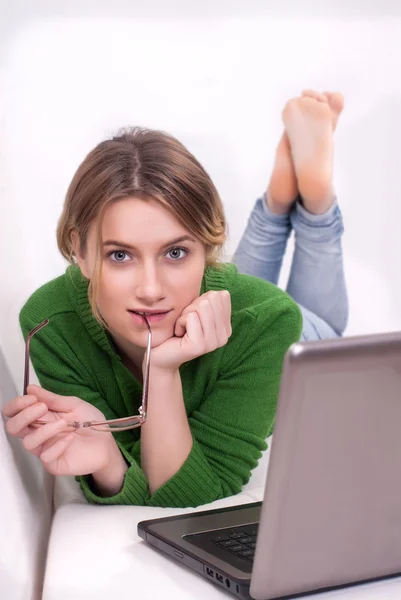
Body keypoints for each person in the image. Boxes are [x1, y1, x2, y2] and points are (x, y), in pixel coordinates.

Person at [3, 89, 348, 508]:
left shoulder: (269, 321)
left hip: (270, 325)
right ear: (80, 252)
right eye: (120, 255)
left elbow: (196, 490)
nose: (150, 290)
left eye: (176, 251)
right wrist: (110, 460)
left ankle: (313, 204)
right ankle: (275, 205)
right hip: (210, 306)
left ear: (207, 250)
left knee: (324, 330)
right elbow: (152, 476)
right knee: (230, 294)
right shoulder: (50, 322)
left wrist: (161, 369)